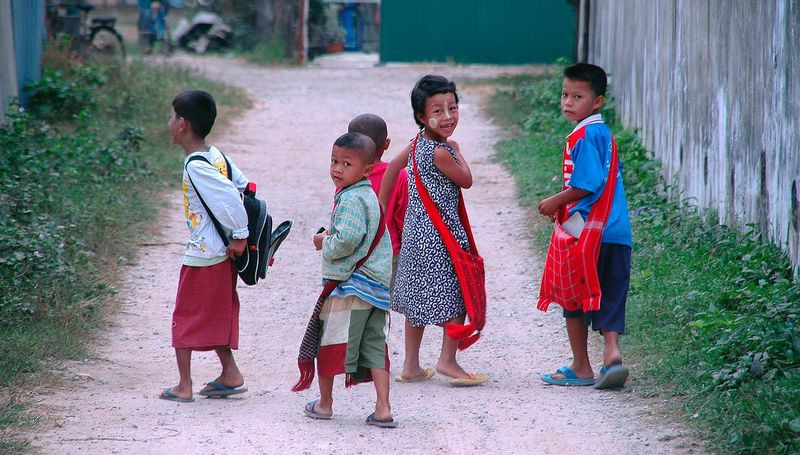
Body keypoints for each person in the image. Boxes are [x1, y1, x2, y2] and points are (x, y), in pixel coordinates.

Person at [378, 75, 487, 387]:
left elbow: (391, 170)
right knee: (456, 294)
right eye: (437, 111)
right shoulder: (441, 152)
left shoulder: (415, 145)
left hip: (416, 234)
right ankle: (447, 360)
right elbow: (466, 179)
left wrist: (383, 209)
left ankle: (411, 365)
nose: (448, 116)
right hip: (442, 236)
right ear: (421, 117)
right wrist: (457, 151)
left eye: (452, 107)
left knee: (417, 297)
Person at [537, 63, 632, 389]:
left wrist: (556, 201)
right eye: (565, 94)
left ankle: (581, 366)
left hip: (588, 231)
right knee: (611, 292)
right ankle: (612, 352)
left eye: (578, 96)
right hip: (618, 231)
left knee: (572, 294)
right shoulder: (604, 133)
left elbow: (588, 183)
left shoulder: (585, 134)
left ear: (597, 102)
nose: (568, 102)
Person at [160, 90, 250, 403]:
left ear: (183, 124)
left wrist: (239, 233)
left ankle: (184, 385)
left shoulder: (195, 165)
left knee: (185, 315)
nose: (169, 123)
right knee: (215, 313)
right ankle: (230, 373)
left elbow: (229, 195)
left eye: (172, 117)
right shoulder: (215, 156)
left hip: (203, 253)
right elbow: (243, 185)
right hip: (221, 255)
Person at [305, 132, 397, 428]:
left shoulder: (352, 199)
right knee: (374, 345)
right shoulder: (367, 194)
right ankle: (383, 408)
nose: (337, 169)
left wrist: (324, 242)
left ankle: (325, 403)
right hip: (376, 288)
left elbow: (346, 240)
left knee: (329, 344)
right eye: (334, 161)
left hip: (351, 287)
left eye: (347, 164)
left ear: (367, 170)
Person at [347, 114, 408, 288]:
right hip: (388, 253)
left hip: (355, 253)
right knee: (382, 303)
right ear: (386, 144)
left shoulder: (348, 174)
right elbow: (402, 217)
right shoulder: (398, 174)